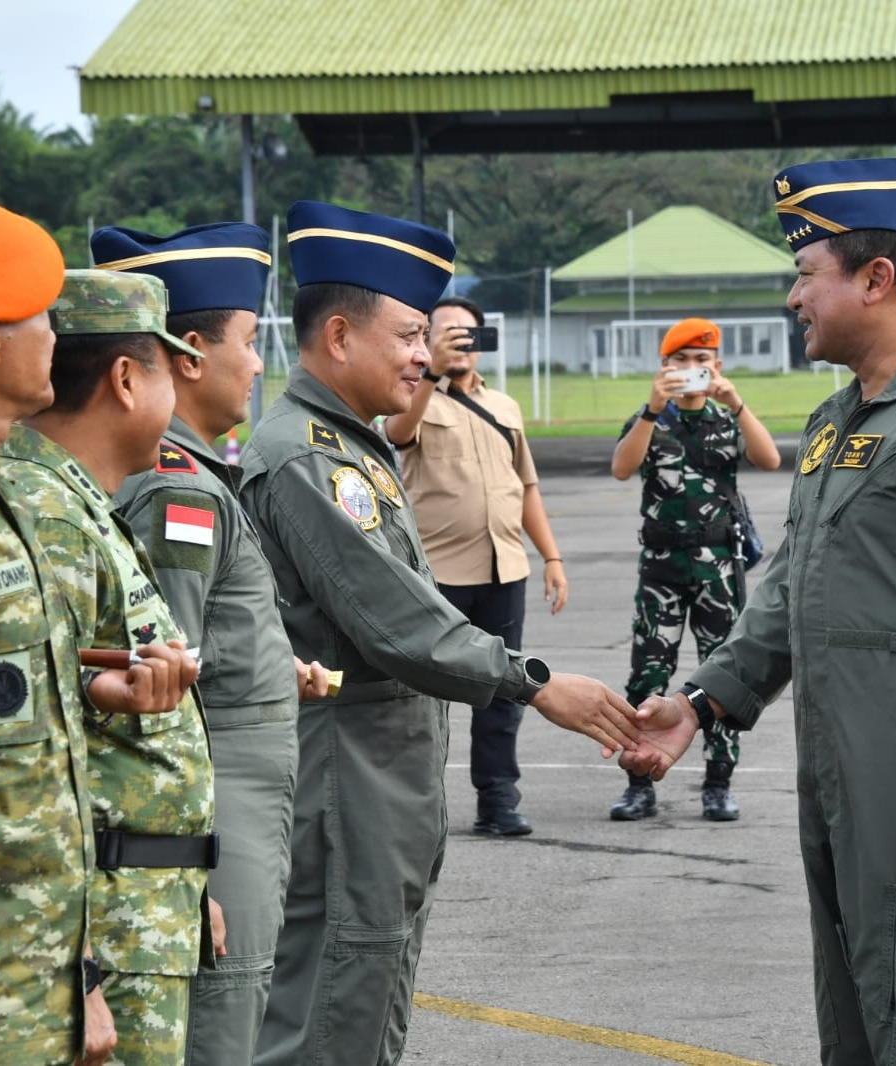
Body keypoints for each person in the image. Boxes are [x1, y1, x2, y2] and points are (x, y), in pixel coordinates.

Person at [622, 158, 896, 1066]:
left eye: (806, 274)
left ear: (876, 279)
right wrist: (700, 704)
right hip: (842, 775)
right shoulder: (837, 422)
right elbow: (787, 587)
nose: (793, 298)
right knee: (859, 1017)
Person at [240, 201, 641, 1066]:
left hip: (387, 774)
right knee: (336, 1014)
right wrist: (533, 682)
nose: (427, 355)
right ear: (340, 337)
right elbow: (395, 621)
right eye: (411, 334)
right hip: (350, 777)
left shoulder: (357, 445)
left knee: (367, 994)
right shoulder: (311, 459)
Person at [0, 197, 193, 1065]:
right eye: (42, 317)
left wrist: (83, 977)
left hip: (27, 992)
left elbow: (14, 768)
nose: (55, 339)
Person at [94, 222, 330, 1066]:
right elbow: (156, 682)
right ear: (188, 354)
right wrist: (184, 863)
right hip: (212, 812)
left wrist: (272, 667)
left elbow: (198, 646)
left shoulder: (197, 478)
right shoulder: (177, 490)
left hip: (233, 800)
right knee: (222, 1026)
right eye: (250, 341)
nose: (261, 363)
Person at [0, 269, 218, 1066]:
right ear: (127, 379)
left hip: (143, 904)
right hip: (104, 929)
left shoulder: (81, 504)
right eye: (167, 365)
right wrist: (80, 964)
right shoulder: (47, 514)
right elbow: (35, 766)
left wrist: (187, 880)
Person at [383, 295, 568, 837]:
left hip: (504, 569)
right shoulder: (412, 398)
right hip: (440, 575)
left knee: (504, 691)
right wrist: (432, 372)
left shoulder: (505, 407)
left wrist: (551, 556)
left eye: (469, 334)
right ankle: (415, 807)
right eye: (446, 334)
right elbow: (397, 435)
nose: (459, 342)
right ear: (424, 341)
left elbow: (526, 486)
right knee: (422, 697)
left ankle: (498, 799)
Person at [607, 317, 780, 822]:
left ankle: (719, 782)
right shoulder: (649, 418)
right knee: (648, 673)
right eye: (680, 361)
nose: (691, 370)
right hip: (661, 567)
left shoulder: (727, 420)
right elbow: (622, 467)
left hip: (718, 569)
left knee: (721, 674)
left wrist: (737, 402)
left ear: (717, 367)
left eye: (701, 361)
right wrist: (651, 408)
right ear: (664, 368)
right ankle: (639, 781)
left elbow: (768, 459)